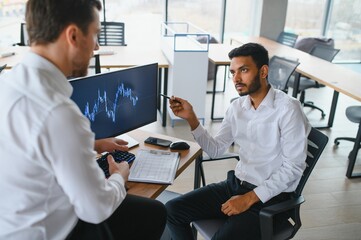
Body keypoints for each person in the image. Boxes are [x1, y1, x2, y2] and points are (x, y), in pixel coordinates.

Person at [0, 1, 166, 239]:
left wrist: (93, 145)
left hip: (12, 222)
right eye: (95, 34)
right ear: (74, 36)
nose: (96, 47)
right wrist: (120, 175)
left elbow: (30, 143)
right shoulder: (59, 113)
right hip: (52, 232)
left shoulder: (8, 82)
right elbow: (96, 209)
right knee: (148, 214)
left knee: (150, 212)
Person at [166, 43, 311, 239]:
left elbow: (293, 168)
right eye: (232, 72)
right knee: (172, 210)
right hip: (235, 185)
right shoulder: (237, 107)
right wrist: (192, 119)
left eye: (243, 70)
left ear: (263, 71)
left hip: (269, 198)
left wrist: (248, 199)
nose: (236, 79)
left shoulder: (288, 109)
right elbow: (216, 150)